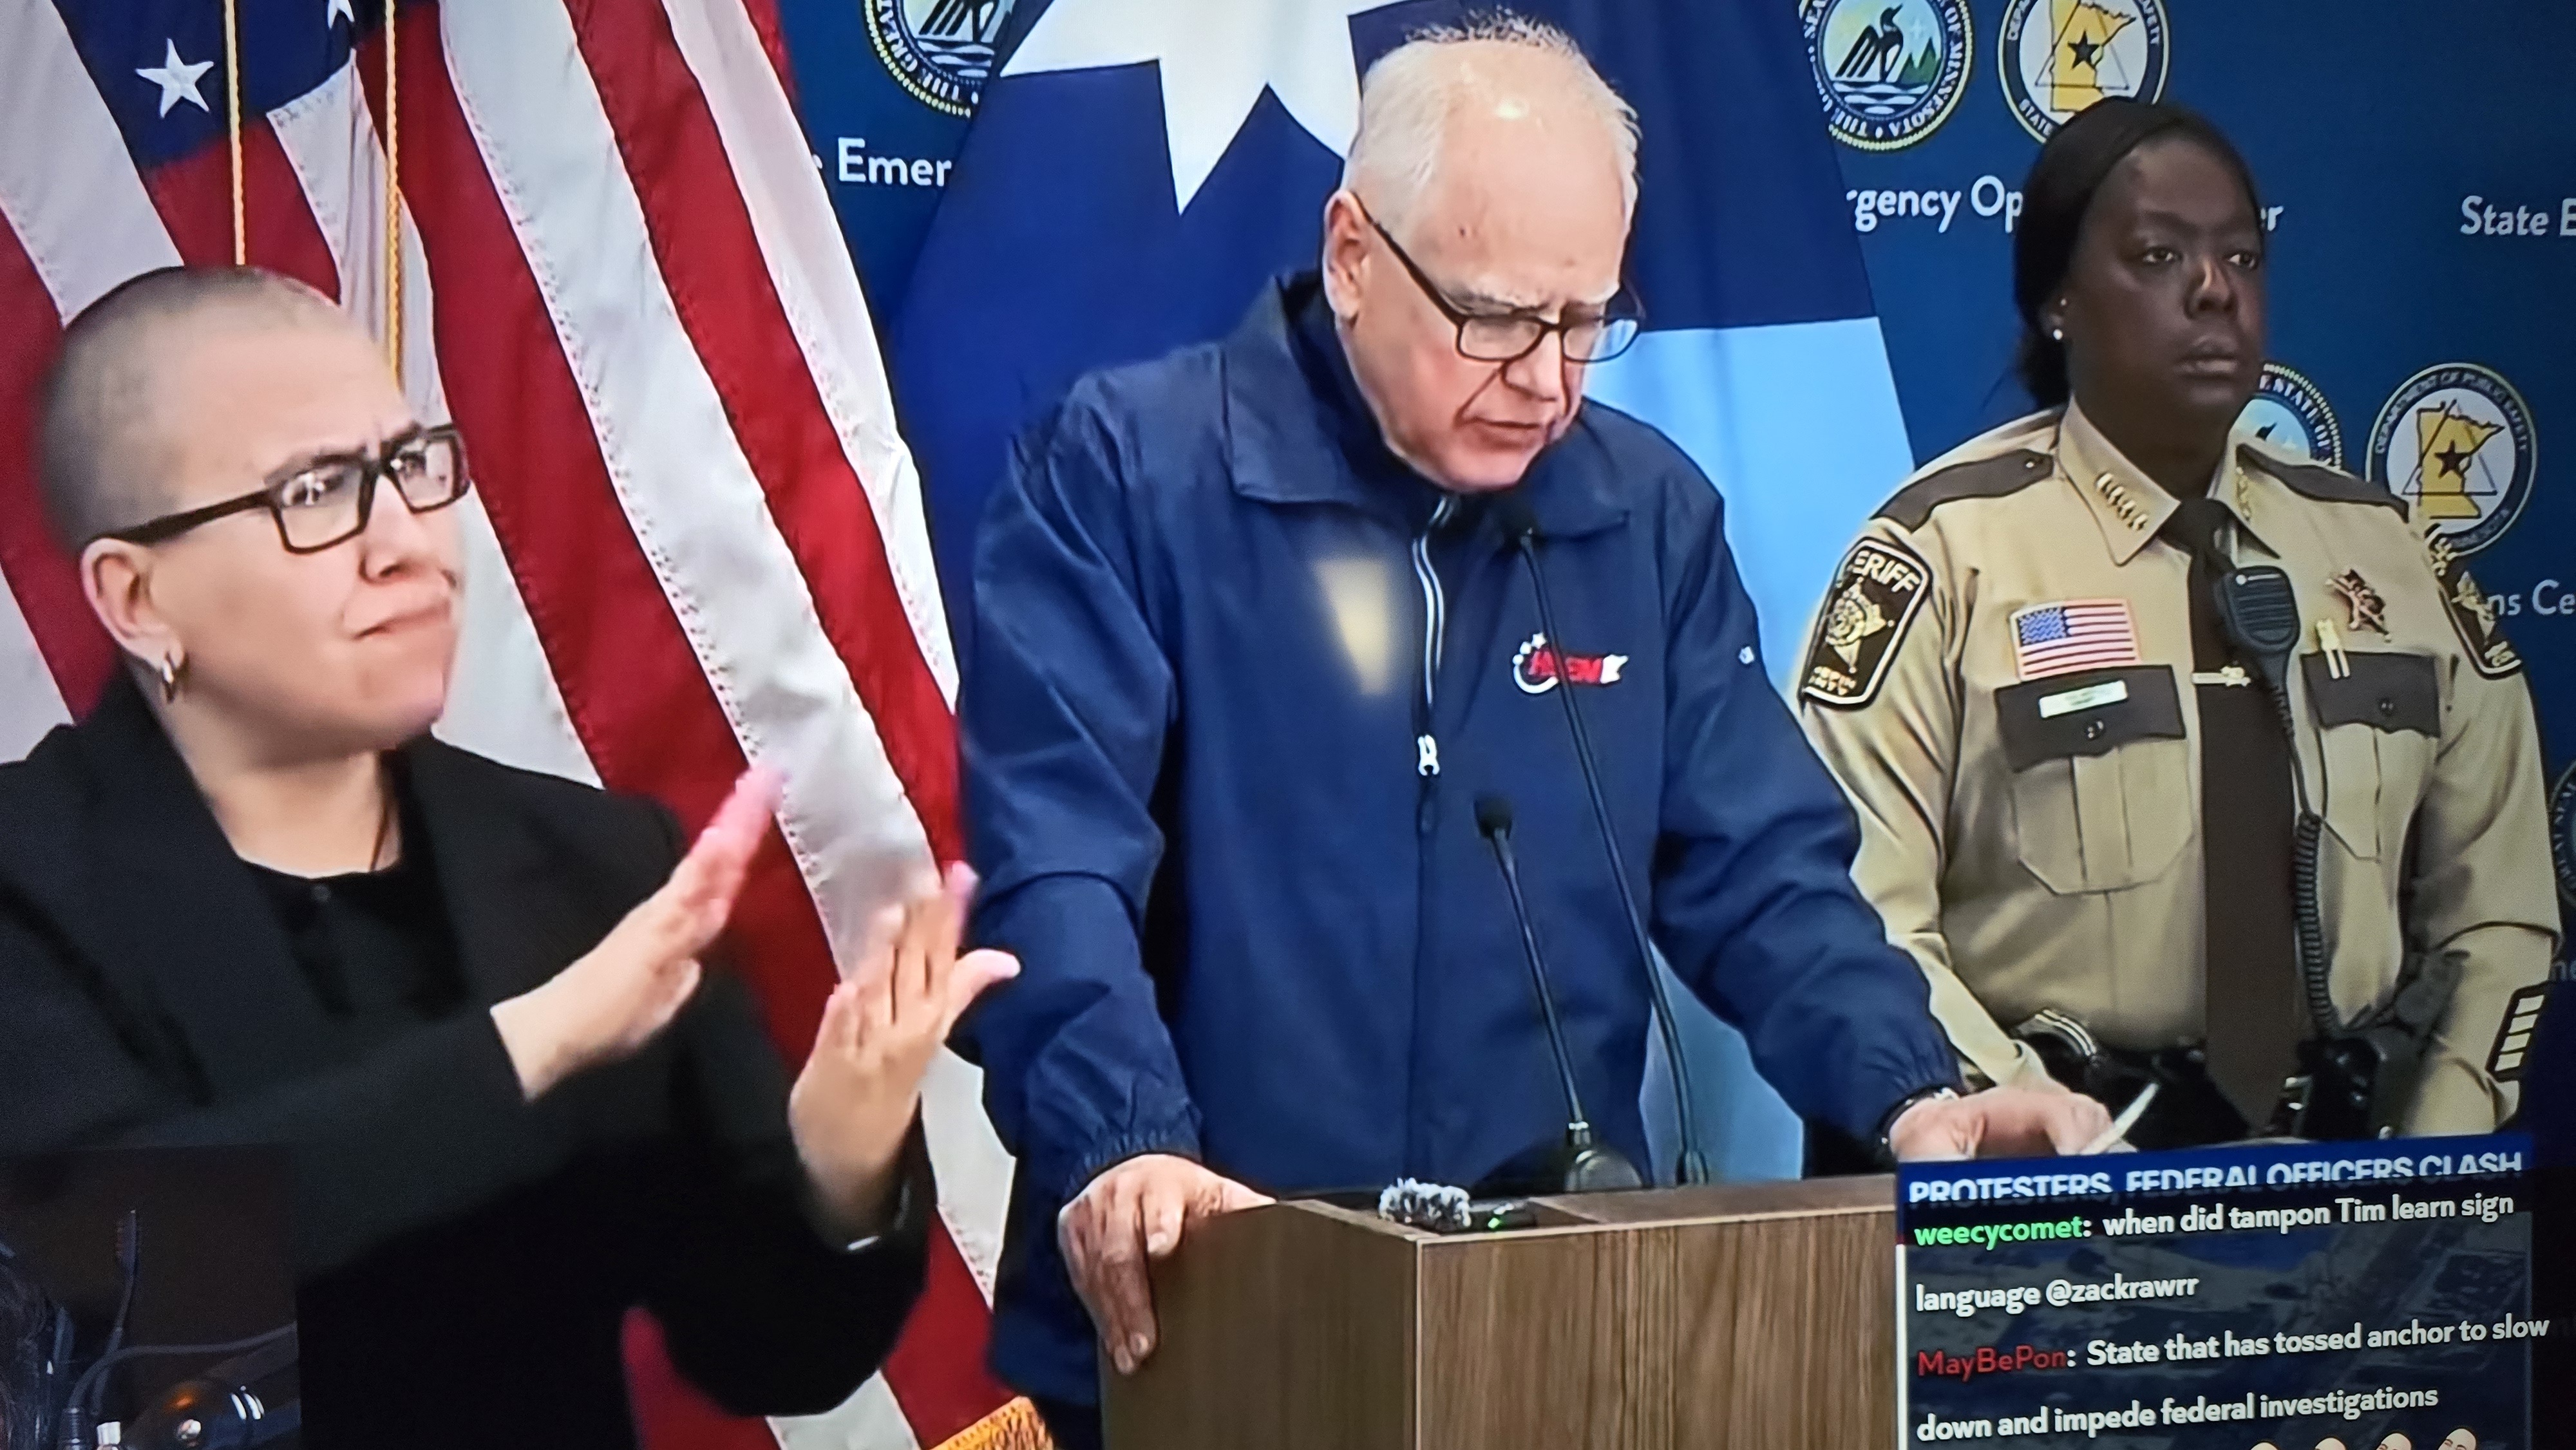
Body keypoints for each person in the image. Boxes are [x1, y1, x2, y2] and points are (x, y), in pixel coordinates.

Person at [958, 17, 2106, 1445]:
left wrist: (1913, 1092)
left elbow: (1764, 873)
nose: (1549, 379)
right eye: (1497, 319)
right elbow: (1053, 868)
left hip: (1537, 1329)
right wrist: (1124, 1144)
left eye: (1585, 322)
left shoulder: (1643, 516)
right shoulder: (1130, 474)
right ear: (1353, 252)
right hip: (1200, 1306)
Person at [0, 267, 1019, 1449]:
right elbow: (111, 1312)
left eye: (411, 467)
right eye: (314, 493)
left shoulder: (595, 862)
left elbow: (766, 1348)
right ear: (136, 596)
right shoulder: (32, 884)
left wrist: (843, 1165)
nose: (407, 545)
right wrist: (541, 1040)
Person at [1797, 99, 2555, 1149]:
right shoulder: (1941, 558)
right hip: (2050, 1172)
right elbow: (1859, 918)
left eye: (2241, 257)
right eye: (2159, 256)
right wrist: (2037, 1135)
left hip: (2358, 1175)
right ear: (2058, 300)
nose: (2214, 289)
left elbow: (2499, 908)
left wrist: (2433, 1150)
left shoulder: (2390, 560)